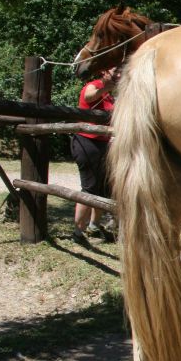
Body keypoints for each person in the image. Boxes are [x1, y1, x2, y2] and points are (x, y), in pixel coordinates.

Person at [72, 66, 118, 245]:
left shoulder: (109, 95)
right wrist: (109, 86)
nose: (119, 74)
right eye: (115, 71)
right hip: (86, 142)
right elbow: (88, 97)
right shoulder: (94, 85)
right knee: (89, 188)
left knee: (101, 187)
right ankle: (78, 231)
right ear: (104, 72)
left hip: (103, 143)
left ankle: (93, 226)